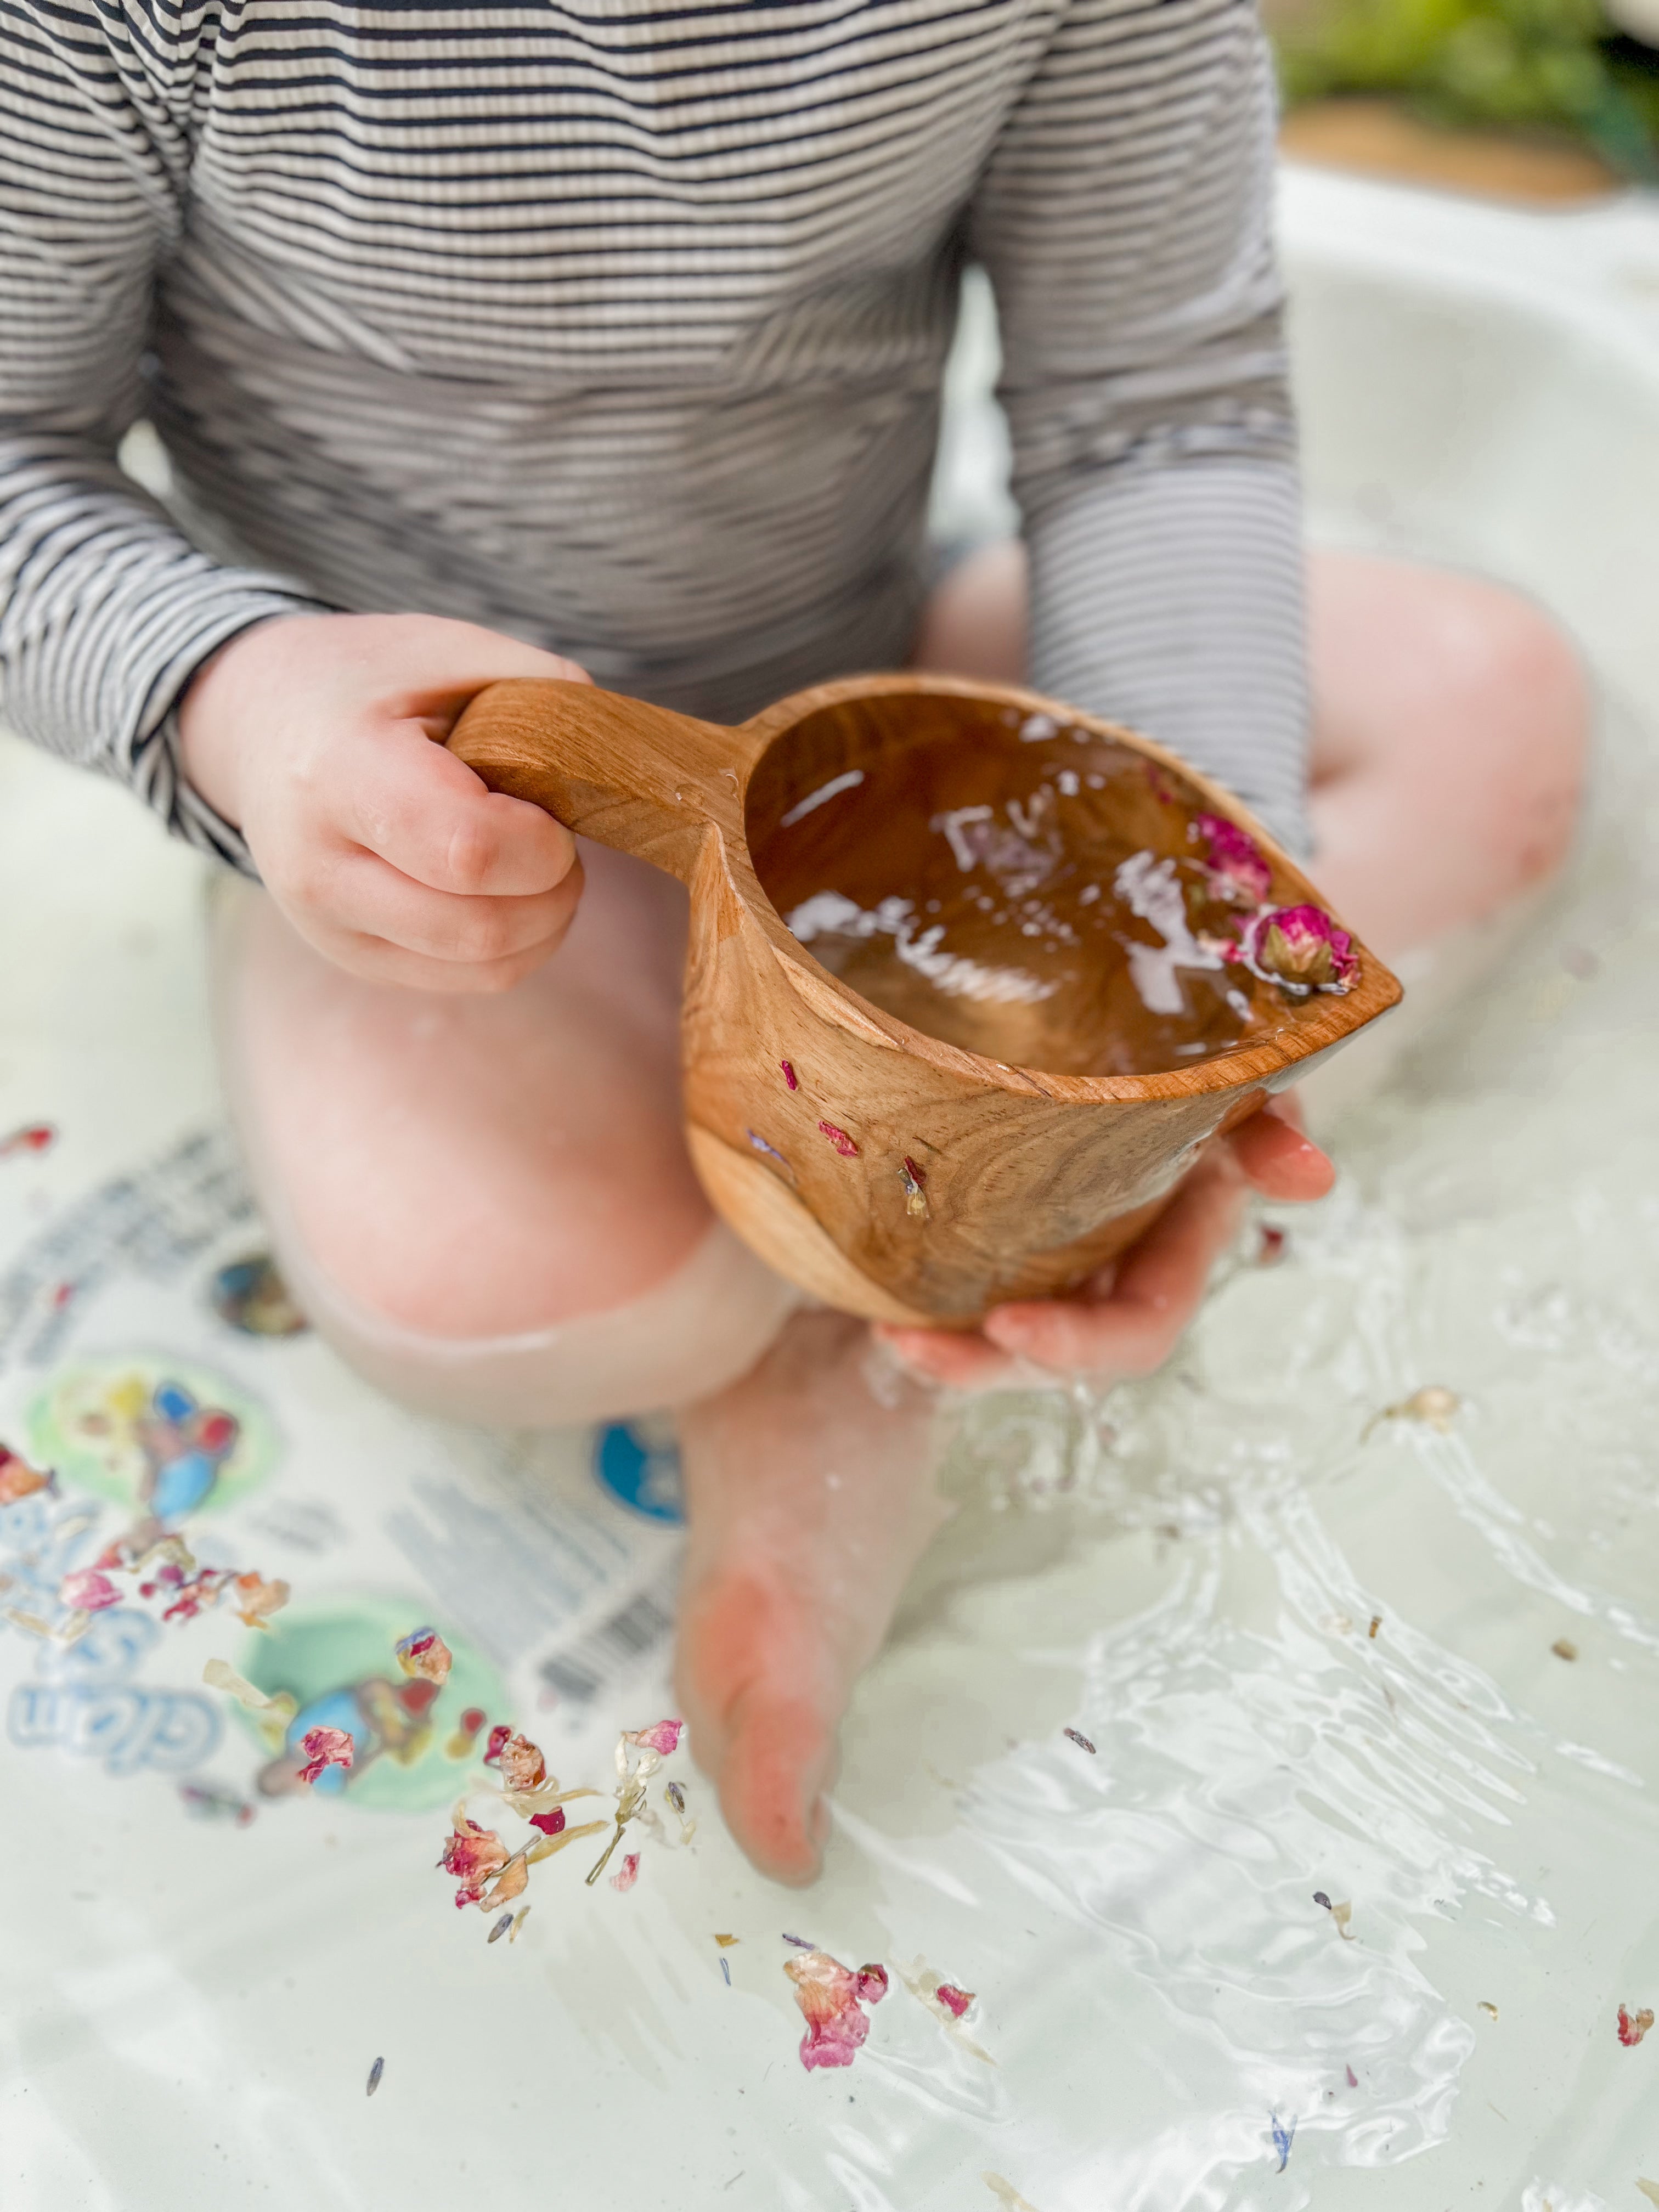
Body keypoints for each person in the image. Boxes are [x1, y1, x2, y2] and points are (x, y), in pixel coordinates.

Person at [1, 0, 1587, 1883]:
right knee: (514, 1291)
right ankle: (754, 1269)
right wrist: (233, 706)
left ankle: (865, 1334)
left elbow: (1160, 412)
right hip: (449, 805)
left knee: (1492, 705)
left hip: (873, 694)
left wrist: (1165, 999)